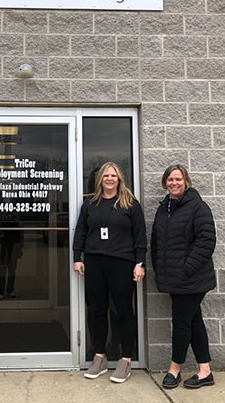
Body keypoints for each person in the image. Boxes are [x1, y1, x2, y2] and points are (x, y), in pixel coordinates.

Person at [73, 162, 146, 383]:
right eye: (106, 175)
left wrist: (140, 263)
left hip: (122, 263)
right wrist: (78, 257)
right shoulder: (90, 203)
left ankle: (125, 359)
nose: (110, 179)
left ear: (119, 179)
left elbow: (140, 237)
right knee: (97, 311)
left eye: (113, 175)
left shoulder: (130, 204)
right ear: (100, 180)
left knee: (123, 310)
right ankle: (100, 357)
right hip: (95, 263)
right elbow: (81, 232)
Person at [151, 164, 216, 390]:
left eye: (178, 179)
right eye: (170, 179)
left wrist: (187, 268)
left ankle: (174, 369)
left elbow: (207, 241)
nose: (174, 183)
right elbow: (157, 241)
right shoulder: (164, 208)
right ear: (165, 182)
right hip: (174, 279)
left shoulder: (198, 207)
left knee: (180, 323)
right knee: (193, 321)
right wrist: (159, 267)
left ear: (186, 181)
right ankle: (205, 370)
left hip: (192, 279)